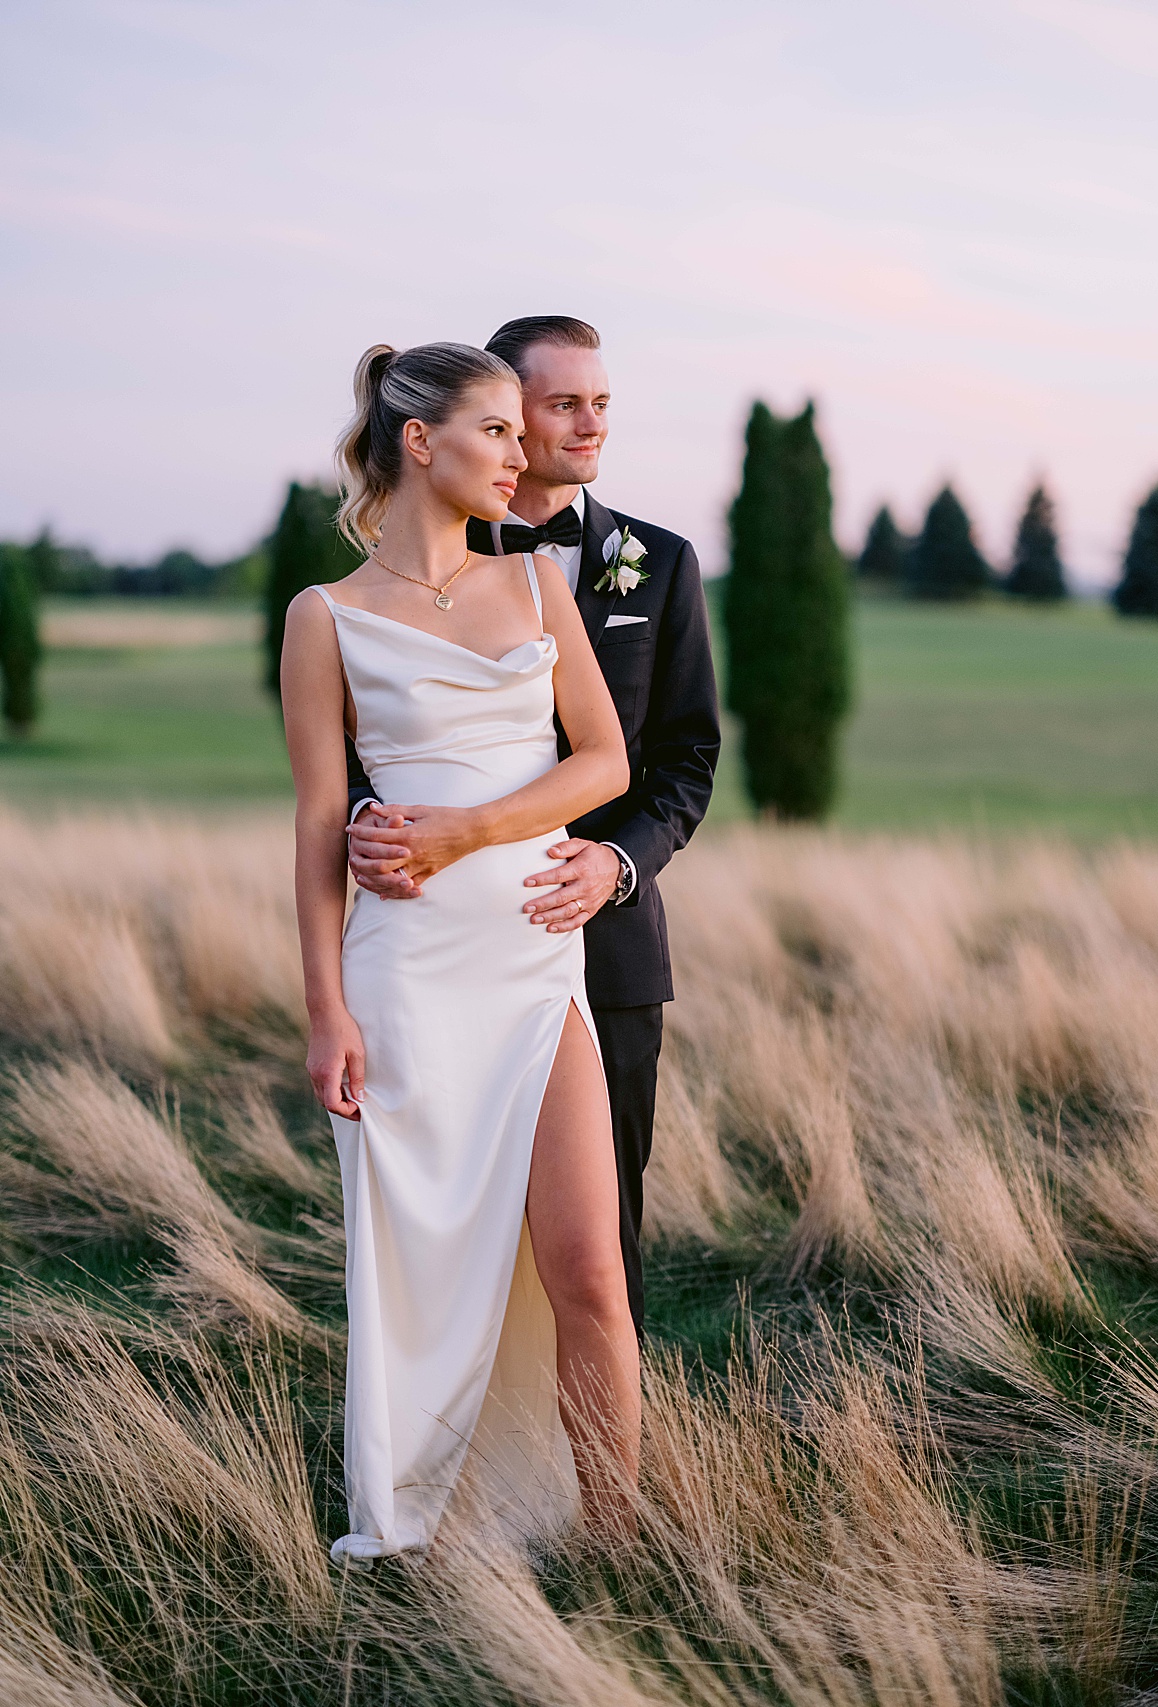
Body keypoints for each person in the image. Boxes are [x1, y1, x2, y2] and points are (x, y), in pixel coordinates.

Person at [280, 341, 640, 1562]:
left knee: (588, 1266)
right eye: (495, 431)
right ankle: (430, 1528)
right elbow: (320, 827)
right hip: (407, 983)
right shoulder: (324, 617)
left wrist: (469, 831)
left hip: (539, 969)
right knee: (427, 1270)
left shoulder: (539, 581)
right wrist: (327, 1010)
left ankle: (616, 1538)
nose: (521, 451)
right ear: (421, 443)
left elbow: (605, 764)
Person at [347, 316, 721, 1338]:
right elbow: (363, 755)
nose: (586, 424)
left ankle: (610, 1484)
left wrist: (616, 863)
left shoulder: (660, 564)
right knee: (451, 1232)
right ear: (498, 409)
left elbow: (687, 760)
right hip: (442, 945)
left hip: (604, 951)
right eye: (560, 404)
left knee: (602, 1243)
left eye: (599, 403)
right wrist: (369, 829)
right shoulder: (416, 575)